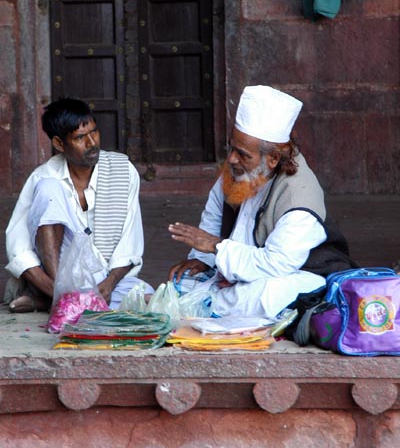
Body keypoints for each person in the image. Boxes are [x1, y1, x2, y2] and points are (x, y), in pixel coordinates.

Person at [168, 85, 356, 320]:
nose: (231, 159)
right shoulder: (235, 171)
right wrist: (203, 260)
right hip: (236, 269)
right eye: (231, 148)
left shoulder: (299, 196)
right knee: (184, 282)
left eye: (243, 154)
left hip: (293, 273)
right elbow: (212, 221)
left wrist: (217, 248)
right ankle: (204, 303)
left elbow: (275, 264)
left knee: (264, 295)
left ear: (273, 159)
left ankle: (204, 305)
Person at [5, 97, 153, 313]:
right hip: (57, 276)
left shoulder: (122, 171)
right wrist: (55, 289)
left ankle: (53, 302)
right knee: (49, 189)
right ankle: (59, 298)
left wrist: (109, 284)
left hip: (106, 278)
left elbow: (130, 245)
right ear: (59, 143)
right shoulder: (43, 177)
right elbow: (19, 251)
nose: (92, 143)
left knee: (150, 299)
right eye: (80, 137)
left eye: (94, 132)